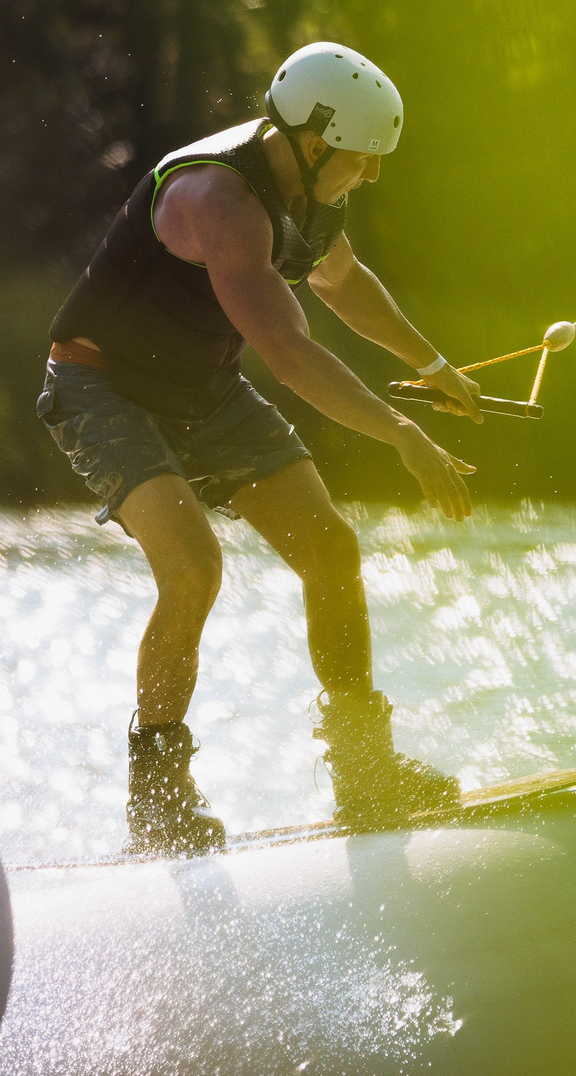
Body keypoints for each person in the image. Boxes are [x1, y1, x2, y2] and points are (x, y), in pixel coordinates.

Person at [39, 42, 485, 854]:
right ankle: (161, 805)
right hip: (102, 387)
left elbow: (343, 284)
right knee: (194, 566)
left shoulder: (313, 192)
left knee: (330, 546)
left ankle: (364, 773)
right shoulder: (221, 199)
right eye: (363, 159)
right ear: (315, 143)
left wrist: (433, 365)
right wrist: (404, 434)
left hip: (200, 388)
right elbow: (289, 353)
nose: (373, 176)